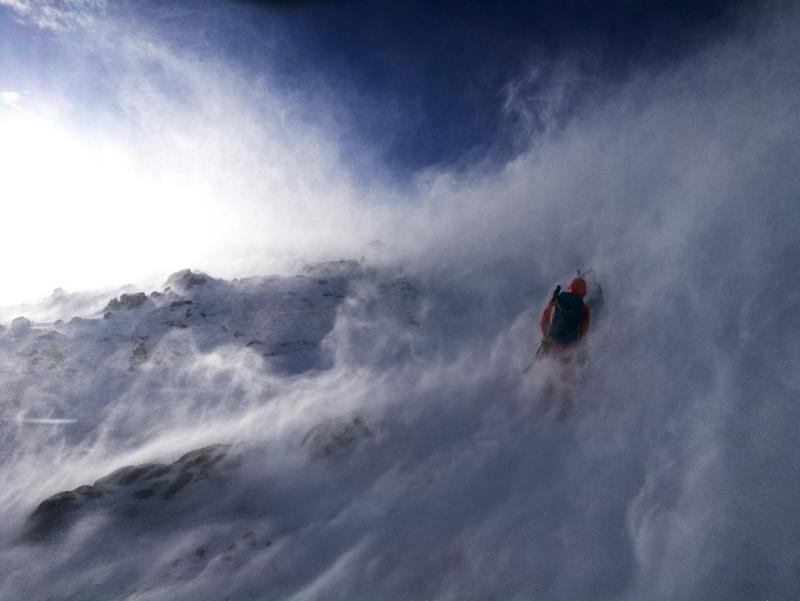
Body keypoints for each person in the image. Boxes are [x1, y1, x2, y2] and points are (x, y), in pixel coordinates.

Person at [536, 276, 591, 417]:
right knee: (567, 377)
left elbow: (543, 322)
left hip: (551, 344)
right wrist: (579, 349)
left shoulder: (556, 300)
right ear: (583, 293)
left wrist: (545, 337)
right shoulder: (583, 309)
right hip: (569, 348)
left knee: (548, 367)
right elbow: (584, 333)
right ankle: (566, 409)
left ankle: (544, 396)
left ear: (569, 288)